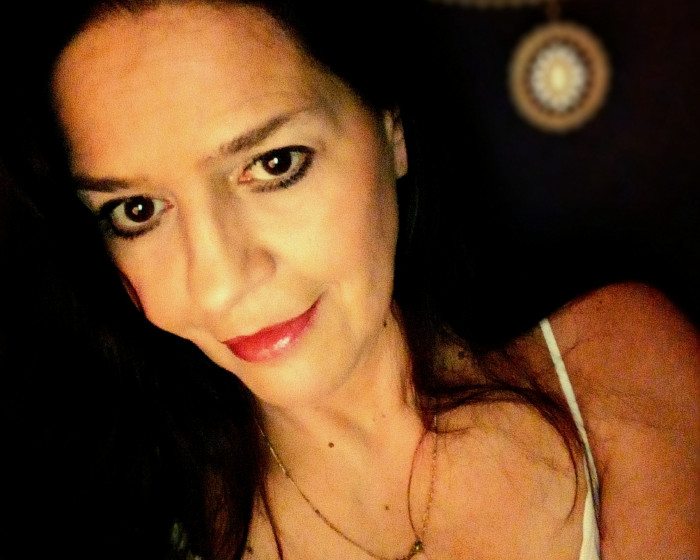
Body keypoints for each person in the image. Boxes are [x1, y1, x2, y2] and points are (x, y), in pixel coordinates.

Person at [4, 1, 698, 559]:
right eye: (137, 211)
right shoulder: (140, 523)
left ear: (391, 128)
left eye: (275, 164)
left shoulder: (615, 362)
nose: (220, 285)